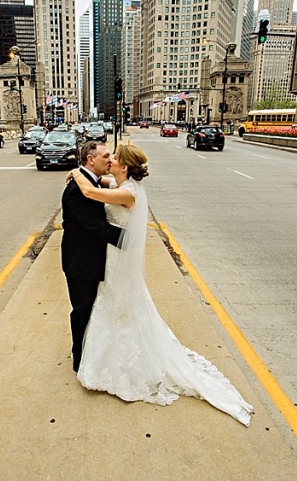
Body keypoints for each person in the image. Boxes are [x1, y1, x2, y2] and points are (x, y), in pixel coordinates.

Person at [65, 145, 252, 426]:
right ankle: (88, 357)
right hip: (100, 259)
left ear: (125, 167)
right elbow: (96, 186)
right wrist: (80, 173)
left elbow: (92, 192)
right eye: (108, 156)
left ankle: (105, 359)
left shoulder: (126, 191)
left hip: (115, 257)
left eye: (114, 158)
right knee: (99, 308)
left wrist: (77, 174)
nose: (111, 160)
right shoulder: (116, 183)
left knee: (117, 307)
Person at [61, 141, 124, 373]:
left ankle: (93, 351)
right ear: (90, 159)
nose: (110, 159)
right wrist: (131, 240)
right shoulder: (77, 190)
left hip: (95, 258)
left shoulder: (92, 181)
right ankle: (79, 359)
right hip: (81, 261)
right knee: (82, 310)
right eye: (106, 155)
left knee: (95, 308)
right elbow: (97, 228)